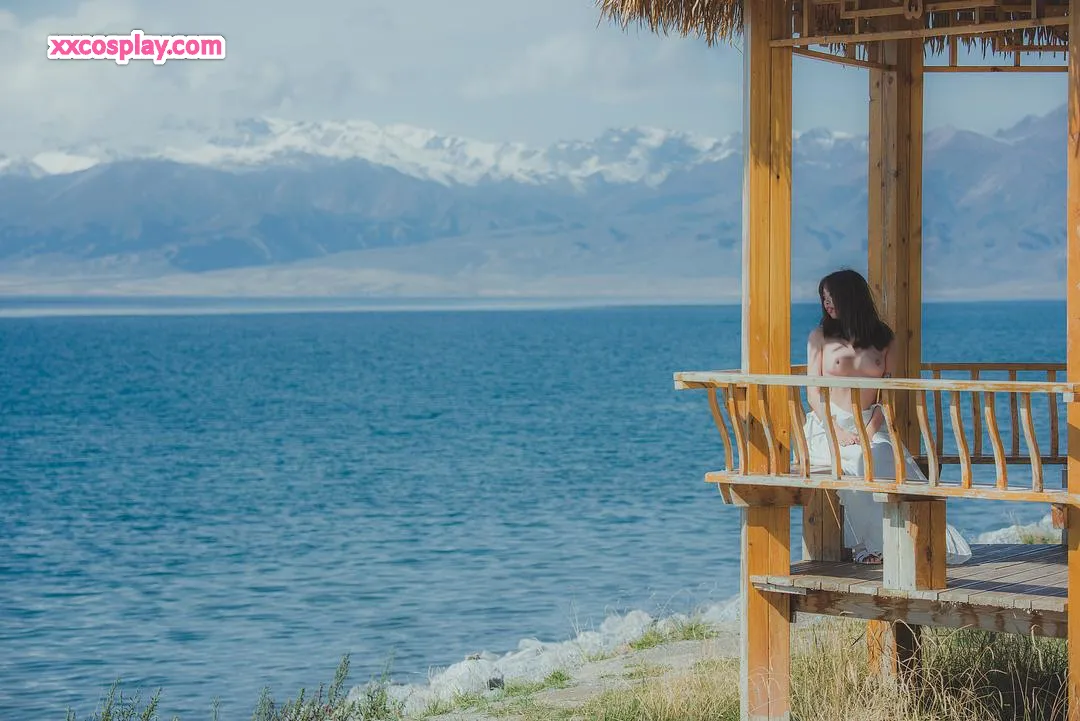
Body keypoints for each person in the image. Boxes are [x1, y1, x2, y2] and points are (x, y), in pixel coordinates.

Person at [804, 268, 971, 566]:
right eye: (823, 299)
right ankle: (870, 545)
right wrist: (837, 431)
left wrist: (869, 430)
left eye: (832, 298)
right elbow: (813, 393)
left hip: (871, 422)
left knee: (883, 455)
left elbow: (888, 396)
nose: (827, 305)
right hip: (827, 425)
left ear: (850, 297)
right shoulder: (819, 337)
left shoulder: (883, 338)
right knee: (856, 462)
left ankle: (915, 538)